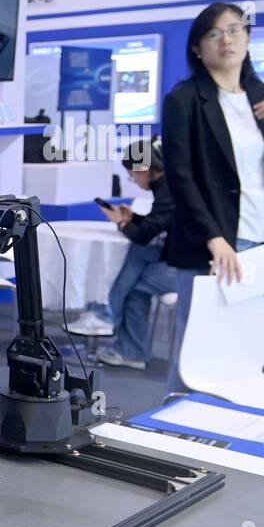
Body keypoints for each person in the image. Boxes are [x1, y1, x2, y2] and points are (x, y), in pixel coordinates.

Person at [163, 1, 264, 392]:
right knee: (198, 348)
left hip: (260, 241)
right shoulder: (185, 100)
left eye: (236, 30)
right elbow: (181, 177)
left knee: (243, 345)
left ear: (249, 38)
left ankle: (219, 429)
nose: (227, 39)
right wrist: (215, 238)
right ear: (197, 47)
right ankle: (169, 431)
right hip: (211, 243)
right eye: (215, 33)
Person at [70, 138, 177, 370]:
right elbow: (157, 224)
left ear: (144, 170)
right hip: (176, 258)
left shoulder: (168, 189)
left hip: (187, 265)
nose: (134, 181)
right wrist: (133, 218)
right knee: (136, 278)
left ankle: (109, 318)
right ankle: (127, 345)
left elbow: (143, 236)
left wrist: (121, 224)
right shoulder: (167, 185)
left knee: (136, 271)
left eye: (132, 175)